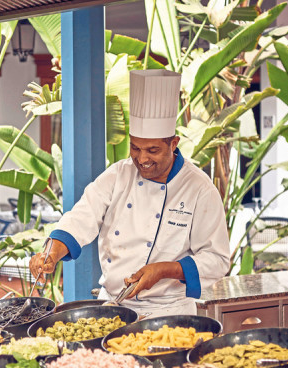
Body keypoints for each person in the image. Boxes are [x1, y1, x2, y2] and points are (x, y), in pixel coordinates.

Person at [29, 70, 230, 317]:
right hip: (113, 307)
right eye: (135, 147)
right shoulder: (117, 176)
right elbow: (82, 217)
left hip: (168, 313)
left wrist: (165, 269)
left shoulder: (199, 188)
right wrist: (52, 252)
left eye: (153, 150)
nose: (142, 159)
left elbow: (217, 260)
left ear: (174, 143)